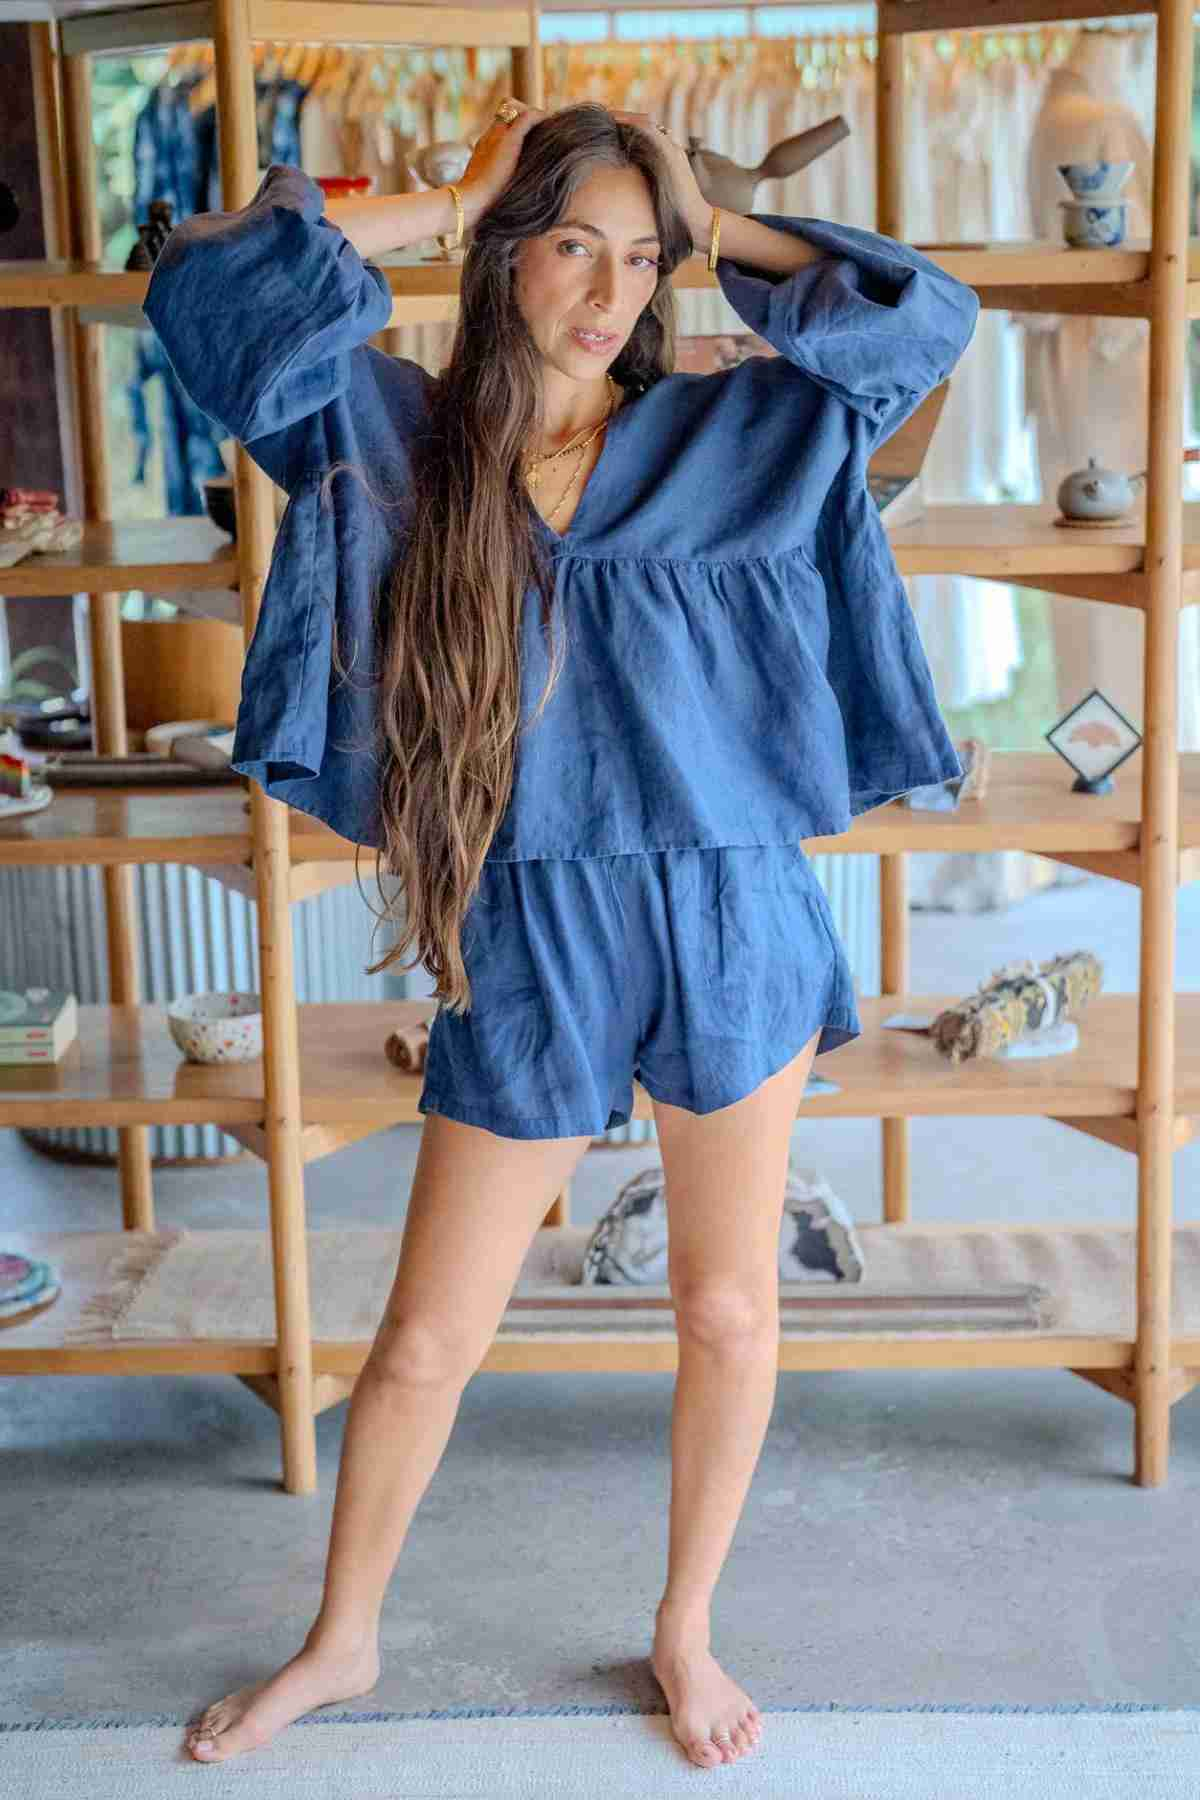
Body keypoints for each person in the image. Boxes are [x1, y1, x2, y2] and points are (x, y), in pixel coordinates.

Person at [143, 99, 979, 1770]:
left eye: (641, 258)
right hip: (529, 922)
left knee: (729, 1310)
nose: (610, 292)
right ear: (507, 256)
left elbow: (928, 318)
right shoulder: (391, 441)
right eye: (573, 245)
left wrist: (706, 213)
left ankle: (685, 1629)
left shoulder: (748, 429)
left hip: (732, 906)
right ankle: (346, 1639)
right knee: (430, 1335)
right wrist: (452, 192)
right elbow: (210, 299)